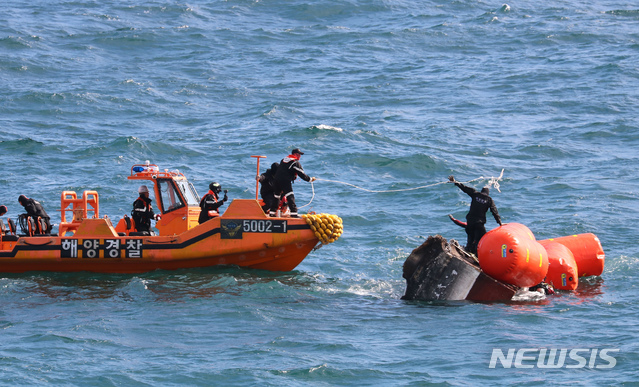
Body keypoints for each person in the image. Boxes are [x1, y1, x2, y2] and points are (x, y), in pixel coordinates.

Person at [448, 175, 502, 255]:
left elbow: (465, 188)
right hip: (479, 223)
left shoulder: (475, 194)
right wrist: (499, 223)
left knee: (470, 238)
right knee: (482, 239)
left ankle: (468, 251)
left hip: (470, 221)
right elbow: (495, 212)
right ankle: (478, 255)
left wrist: (455, 182)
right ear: (488, 193)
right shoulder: (489, 200)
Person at [270, 148, 316, 218]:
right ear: (294, 154)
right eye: (298, 155)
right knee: (290, 196)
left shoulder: (283, 160)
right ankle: (294, 214)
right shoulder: (295, 162)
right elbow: (301, 174)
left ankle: (272, 213)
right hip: (285, 181)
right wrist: (310, 179)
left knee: (277, 196)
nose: (299, 157)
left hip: (276, 180)